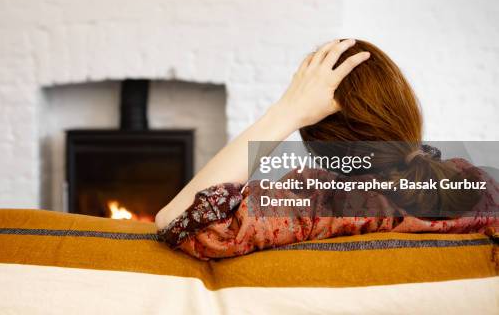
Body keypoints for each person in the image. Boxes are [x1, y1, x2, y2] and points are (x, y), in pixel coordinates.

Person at [154, 39, 498, 259]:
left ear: (317, 138)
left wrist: (286, 111)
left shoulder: (320, 203)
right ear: (405, 107)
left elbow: (176, 220)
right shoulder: (483, 189)